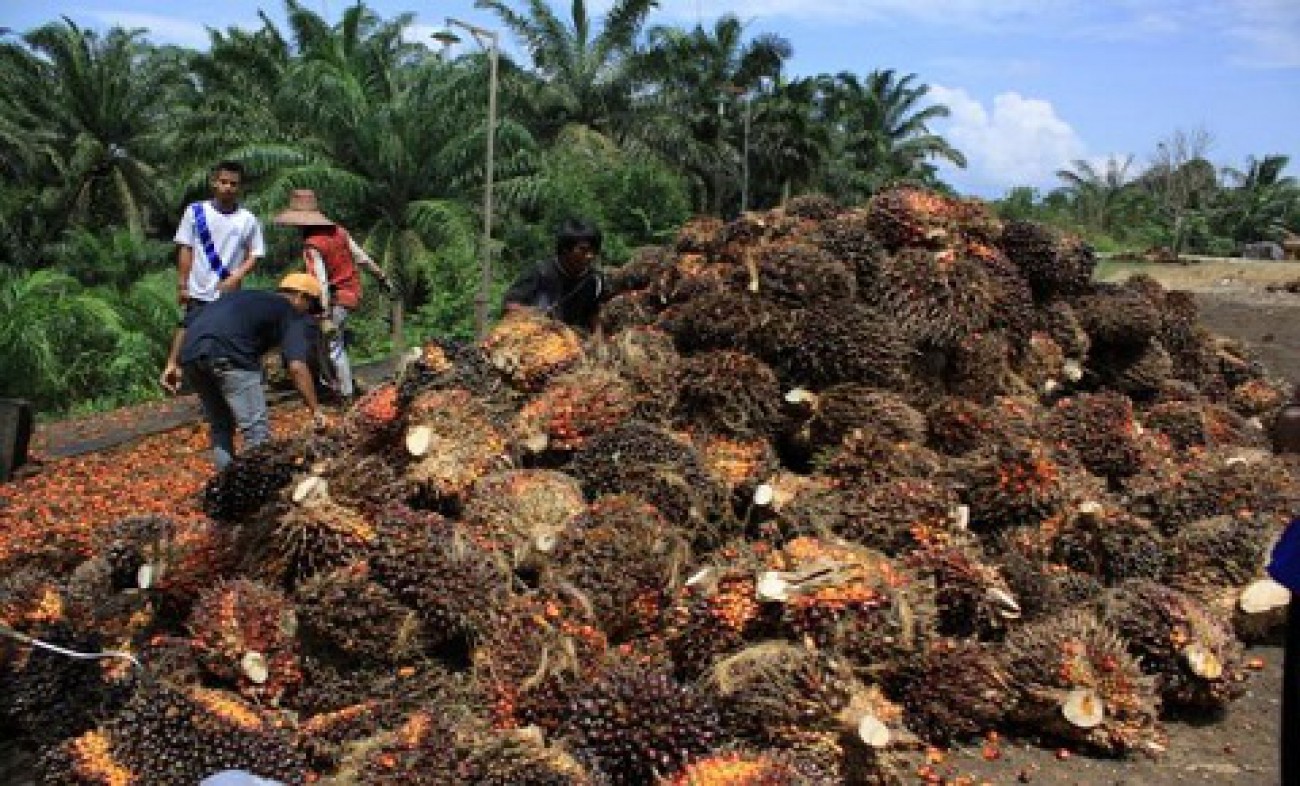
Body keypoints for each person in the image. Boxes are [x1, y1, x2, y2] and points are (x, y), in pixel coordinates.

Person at [159, 274, 325, 470]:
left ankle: (226, 486)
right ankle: (258, 490)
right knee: (256, 433)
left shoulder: (242, 297)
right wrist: (316, 411)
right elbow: (297, 367)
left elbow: (186, 323)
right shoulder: (291, 313)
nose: (310, 314)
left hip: (192, 356)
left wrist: (172, 363)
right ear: (300, 297)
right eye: (312, 307)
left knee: (221, 424)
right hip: (231, 357)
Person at [273, 189, 394, 399]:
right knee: (327, 345)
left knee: (332, 347)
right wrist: (382, 276)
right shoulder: (339, 231)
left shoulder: (312, 245)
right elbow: (362, 258)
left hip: (335, 299)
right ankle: (334, 387)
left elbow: (319, 280)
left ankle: (344, 394)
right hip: (352, 293)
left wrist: (323, 310)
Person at [166, 160, 267, 368]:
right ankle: (172, 366)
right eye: (224, 182)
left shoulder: (247, 219)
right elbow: (186, 248)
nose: (228, 187)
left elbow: (256, 254)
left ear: (239, 187)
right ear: (214, 183)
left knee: (226, 337)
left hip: (228, 292)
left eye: (233, 184)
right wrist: (182, 284)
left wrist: (236, 277)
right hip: (198, 287)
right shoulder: (195, 212)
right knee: (188, 326)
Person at [502, 218, 607, 330]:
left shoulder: (594, 281)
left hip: (574, 342)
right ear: (565, 249)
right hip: (536, 337)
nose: (590, 256)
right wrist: (537, 315)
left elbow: (594, 315)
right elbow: (509, 305)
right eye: (583, 250)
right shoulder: (540, 273)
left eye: (594, 251)